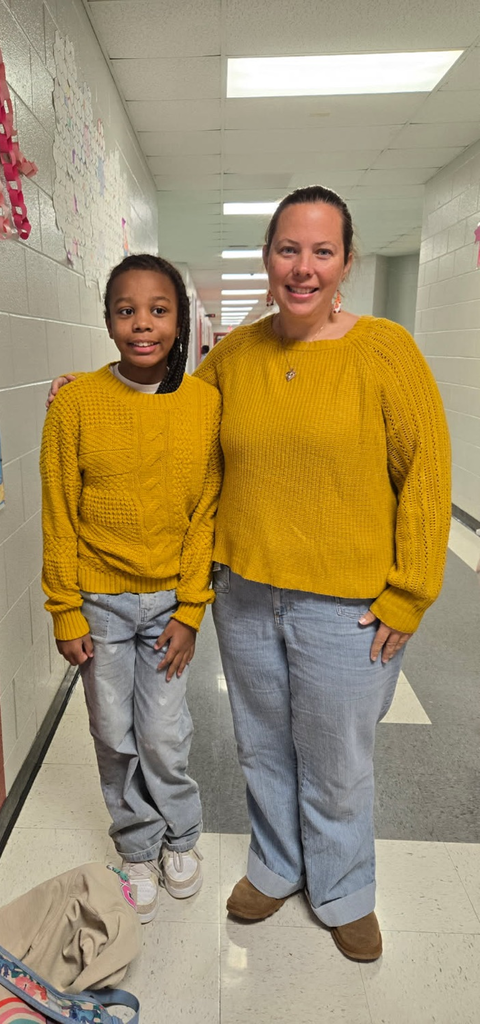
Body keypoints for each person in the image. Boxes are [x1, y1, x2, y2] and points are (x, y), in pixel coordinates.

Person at [47, 186, 451, 962]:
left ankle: (342, 887)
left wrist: (408, 594)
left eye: (320, 251)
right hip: (244, 593)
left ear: (345, 262)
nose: (302, 268)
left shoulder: (383, 351)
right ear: (268, 257)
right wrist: (90, 392)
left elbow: (426, 475)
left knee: (337, 759)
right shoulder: (235, 353)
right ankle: (275, 865)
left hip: (350, 605)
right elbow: (165, 414)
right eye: (287, 250)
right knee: (261, 745)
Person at [40, 254, 222, 924]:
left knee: (163, 734)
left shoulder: (205, 404)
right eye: (126, 310)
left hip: (170, 604)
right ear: (109, 319)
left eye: (157, 309)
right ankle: (138, 847)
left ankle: (181, 839)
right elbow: (59, 511)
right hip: (101, 603)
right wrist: (65, 609)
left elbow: (206, 513)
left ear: (179, 321)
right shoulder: (78, 403)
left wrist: (192, 609)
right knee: (114, 733)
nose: (141, 323)